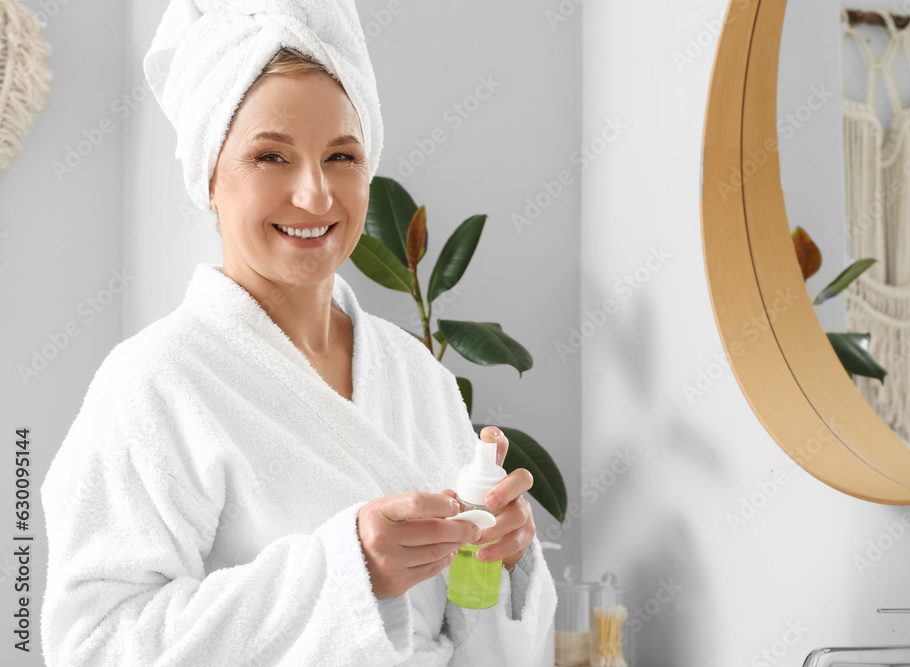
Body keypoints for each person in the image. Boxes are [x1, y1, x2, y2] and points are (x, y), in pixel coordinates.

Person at [38, 1, 556, 665]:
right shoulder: (152, 384)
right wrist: (345, 572)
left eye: (341, 155)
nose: (315, 196)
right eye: (271, 156)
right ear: (208, 175)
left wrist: (501, 558)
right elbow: (95, 644)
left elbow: (480, 643)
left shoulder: (416, 377)